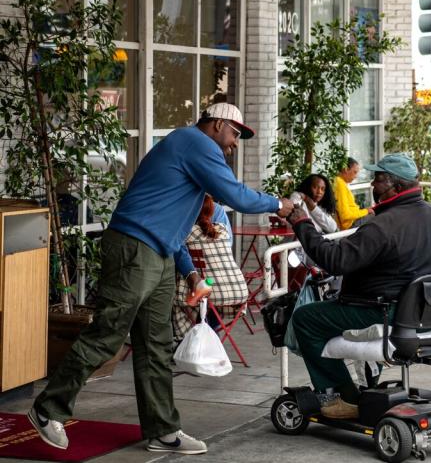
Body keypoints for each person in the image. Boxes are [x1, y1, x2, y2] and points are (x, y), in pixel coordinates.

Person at [30, 103, 293, 454]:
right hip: (134, 248)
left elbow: (174, 225)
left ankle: (163, 431)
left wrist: (193, 273)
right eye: (234, 134)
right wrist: (278, 204)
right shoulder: (195, 143)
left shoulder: (192, 154)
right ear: (216, 125)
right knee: (108, 334)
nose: (234, 145)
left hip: (159, 253)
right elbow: (235, 195)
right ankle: (46, 409)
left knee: (157, 346)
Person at [287, 153, 431, 420]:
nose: (373, 185)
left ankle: (342, 397)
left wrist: (302, 224)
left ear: (395, 187)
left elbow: (335, 260)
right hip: (426, 313)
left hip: (383, 310)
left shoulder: (384, 225)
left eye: (378, 180)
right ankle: (351, 389)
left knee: (306, 317)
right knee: (324, 314)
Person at [172, 195, 249, 341]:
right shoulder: (223, 228)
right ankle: (211, 335)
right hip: (238, 291)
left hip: (202, 290)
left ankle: (192, 338)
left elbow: (175, 249)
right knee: (211, 291)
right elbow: (228, 244)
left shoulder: (186, 233)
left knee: (180, 295)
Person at [332, 157, 368, 230]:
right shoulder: (339, 185)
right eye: (355, 172)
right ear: (346, 170)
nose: (356, 176)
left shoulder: (340, 182)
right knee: (378, 216)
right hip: (350, 225)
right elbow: (345, 215)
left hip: (353, 221)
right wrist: (366, 211)